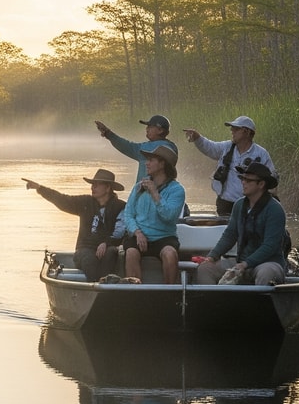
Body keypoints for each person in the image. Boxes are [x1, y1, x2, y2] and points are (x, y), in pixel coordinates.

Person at [23, 168, 127, 282]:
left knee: (111, 252)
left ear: (108, 188)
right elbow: (62, 200)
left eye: (97, 185)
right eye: (92, 184)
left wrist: (106, 243)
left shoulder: (120, 207)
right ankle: (99, 286)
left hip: (107, 248)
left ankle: (105, 286)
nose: (92, 187)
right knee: (90, 259)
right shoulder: (85, 202)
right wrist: (40, 188)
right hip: (84, 250)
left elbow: (120, 232)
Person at [195, 161, 290, 286]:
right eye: (242, 178)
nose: (243, 182)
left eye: (248, 180)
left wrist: (246, 263)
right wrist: (212, 256)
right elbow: (230, 235)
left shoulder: (275, 210)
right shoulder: (239, 205)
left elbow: (270, 246)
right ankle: (213, 303)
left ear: (261, 184)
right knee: (205, 269)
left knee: (265, 274)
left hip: (268, 262)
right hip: (241, 261)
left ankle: (259, 305)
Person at [117, 144, 186, 284]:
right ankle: (134, 294)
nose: (146, 163)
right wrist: (137, 232)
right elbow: (128, 214)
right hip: (139, 236)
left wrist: (155, 193)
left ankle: (170, 293)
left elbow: (169, 216)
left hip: (164, 237)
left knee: (170, 254)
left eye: (151, 160)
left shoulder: (177, 190)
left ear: (163, 164)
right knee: (130, 252)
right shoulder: (138, 187)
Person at [181, 115, 275, 216]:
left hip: (250, 204)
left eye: (236, 129)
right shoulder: (226, 147)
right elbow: (210, 148)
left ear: (246, 132)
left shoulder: (261, 154)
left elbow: (272, 178)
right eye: (232, 128)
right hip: (225, 204)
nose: (232, 131)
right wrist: (197, 138)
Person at [95, 114, 178, 194]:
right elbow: (128, 147)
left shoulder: (151, 147)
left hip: (150, 193)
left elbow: (127, 147)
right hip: (154, 192)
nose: (147, 129)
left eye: (150, 127)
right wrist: (109, 134)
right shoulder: (171, 147)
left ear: (160, 130)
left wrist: (109, 134)